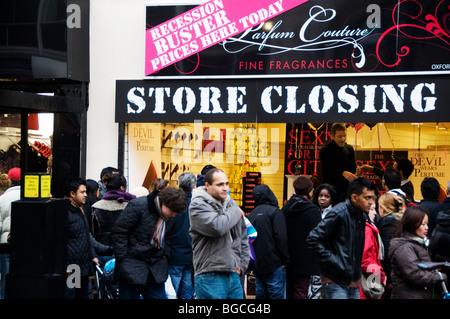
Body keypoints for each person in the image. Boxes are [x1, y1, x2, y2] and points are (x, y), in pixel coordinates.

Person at [112, 186, 187, 299]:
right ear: (164, 203)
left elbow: (167, 238)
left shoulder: (169, 216)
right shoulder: (139, 205)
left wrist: (165, 256)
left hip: (155, 268)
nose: (174, 215)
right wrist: (123, 258)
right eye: (172, 211)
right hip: (132, 266)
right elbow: (119, 232)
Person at [307, 177, 376, 299]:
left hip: (353, 280)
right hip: (334, 279)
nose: (371, 202)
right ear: (354, 197)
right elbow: (313, 238)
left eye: (372, 198)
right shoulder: (339, 212)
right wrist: (335, 260)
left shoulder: (361, 215)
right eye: (367, 198)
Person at [189, 168, 250, 299]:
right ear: (207, 186)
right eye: (220, 184)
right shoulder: (198, 204)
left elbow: (242, 236)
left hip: (233, 273)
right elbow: (217, 227)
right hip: (210, 273)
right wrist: (235, 211)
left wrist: (242, 265)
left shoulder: (231, 204)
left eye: (227, 184)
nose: (225, 188)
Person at [64, 177, 112, 299]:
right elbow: (59, 241)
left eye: (86, 192)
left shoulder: (80, 211)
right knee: (72, 295)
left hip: (83, 265)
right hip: (73, 266)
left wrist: (94, 254)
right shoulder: (65, 213)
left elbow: (86, 237)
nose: (86, 195)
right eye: (82, 192)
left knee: (82, 295)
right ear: (72, 194)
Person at [388, 206, 447, 299]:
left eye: (427, 224)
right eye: (423, 224)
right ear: (412, 224)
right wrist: (439, 277)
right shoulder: (405, 247)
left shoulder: (417, 243)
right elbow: (413, 274)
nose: (427, 228)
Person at [247, 184, 289, 299]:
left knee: (260, 295)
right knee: (276, 295)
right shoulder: (275, 212)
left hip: (258, 265)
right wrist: (285, 259)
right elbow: (281, 237)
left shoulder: (251, 215)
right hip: (275, 263)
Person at [282, 176, 321, 299]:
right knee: (301, 292)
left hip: (288, 258)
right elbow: (318, 235)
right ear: (310, 191)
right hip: (306, 260)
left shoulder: (286, 208)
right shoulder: (313, 210)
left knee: (288, 291)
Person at [92, 174, 135, 264]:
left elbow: (93, 233)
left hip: (102, 252)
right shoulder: (131, 206)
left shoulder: (96, 207)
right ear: (122, 187)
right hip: (124, 252)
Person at [167, 172, 196, 299]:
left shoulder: (172, 205)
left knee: (171, 292)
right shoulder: (197, 206)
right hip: (191, 255)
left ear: (179, 184)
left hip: (174, 255)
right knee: (187, 293)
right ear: (194, 186)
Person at [376, 192, 405, 297]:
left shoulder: (388, 223)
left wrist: (388, 278)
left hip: (393, 275)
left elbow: (387, 251)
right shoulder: (400, 220)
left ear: (382, 208)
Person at [319, 123, 358, 202]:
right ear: (332, 136)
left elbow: (353, 167)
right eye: (339, 136)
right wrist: (342, 173)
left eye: (344, 136)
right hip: (331, 191)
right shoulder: (325, 151)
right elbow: (327, 172)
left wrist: (357, 171)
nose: (343, 139)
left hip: (347, 191)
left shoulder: (349, 149)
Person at [360, 203, 386, 299]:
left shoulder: (364, 227)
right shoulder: (367, 230)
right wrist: (381, 276)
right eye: (371, 209)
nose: (375, 213)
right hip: (366, 280)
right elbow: (365, 261)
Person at [0, 168, 19, 299]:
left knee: (6, 276)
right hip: (24, 241)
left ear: (10, 180)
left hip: (5, 242)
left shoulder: (3, 198)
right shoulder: (28, 195)